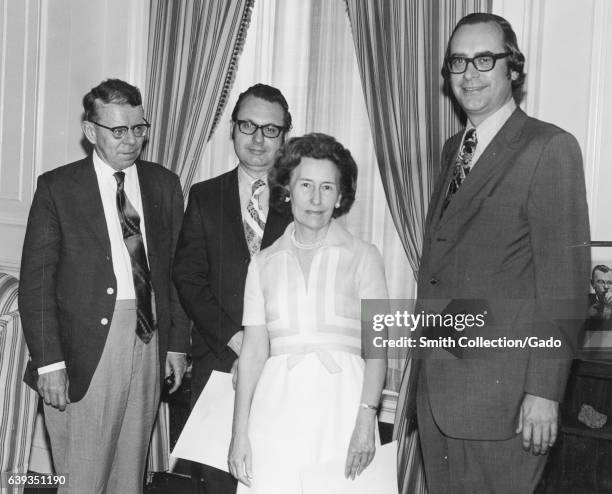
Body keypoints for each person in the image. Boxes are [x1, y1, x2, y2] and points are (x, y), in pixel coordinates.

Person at [399, 13, 590, 493]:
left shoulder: (549, 148)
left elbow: (563, 286)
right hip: (439, 393)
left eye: (485, 59)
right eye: (458, 62)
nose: (469, 73)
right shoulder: (453, 150)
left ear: (514, 68)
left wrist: (544, 393)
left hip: (505, 406)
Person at [19, 79, 189, 493]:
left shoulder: (163, 185)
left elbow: (173, 273)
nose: (131, 141)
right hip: (88, 345)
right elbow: (36, 283)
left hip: (148, 337)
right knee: (83, 475)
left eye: (138, 128)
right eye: (118, 130)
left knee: (129, 472)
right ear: (90, 131)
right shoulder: (58, 188)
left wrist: (177, 344)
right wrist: (50, 364)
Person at [228, 133, 388, 494]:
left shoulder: (365, 256)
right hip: (275, 411)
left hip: (342, 411)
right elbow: (254, 352)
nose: (316, 199)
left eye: (327, 187)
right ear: (287, 188)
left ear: (341, 195)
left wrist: (366, 418)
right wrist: (239, 434)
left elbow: (378, 348)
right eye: (305, 185)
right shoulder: (263, 262)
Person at [172, 83, 293, 494]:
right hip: (218, 362)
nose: (258, 138)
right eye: (248, 125)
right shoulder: (205, 196)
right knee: (217, 480)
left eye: (270, 129)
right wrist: (237, 338)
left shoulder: (302, 199)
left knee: (272, 477)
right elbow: (188, 277)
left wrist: (266, 345)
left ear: (284, 136)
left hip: (282, 365)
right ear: (232, 129)